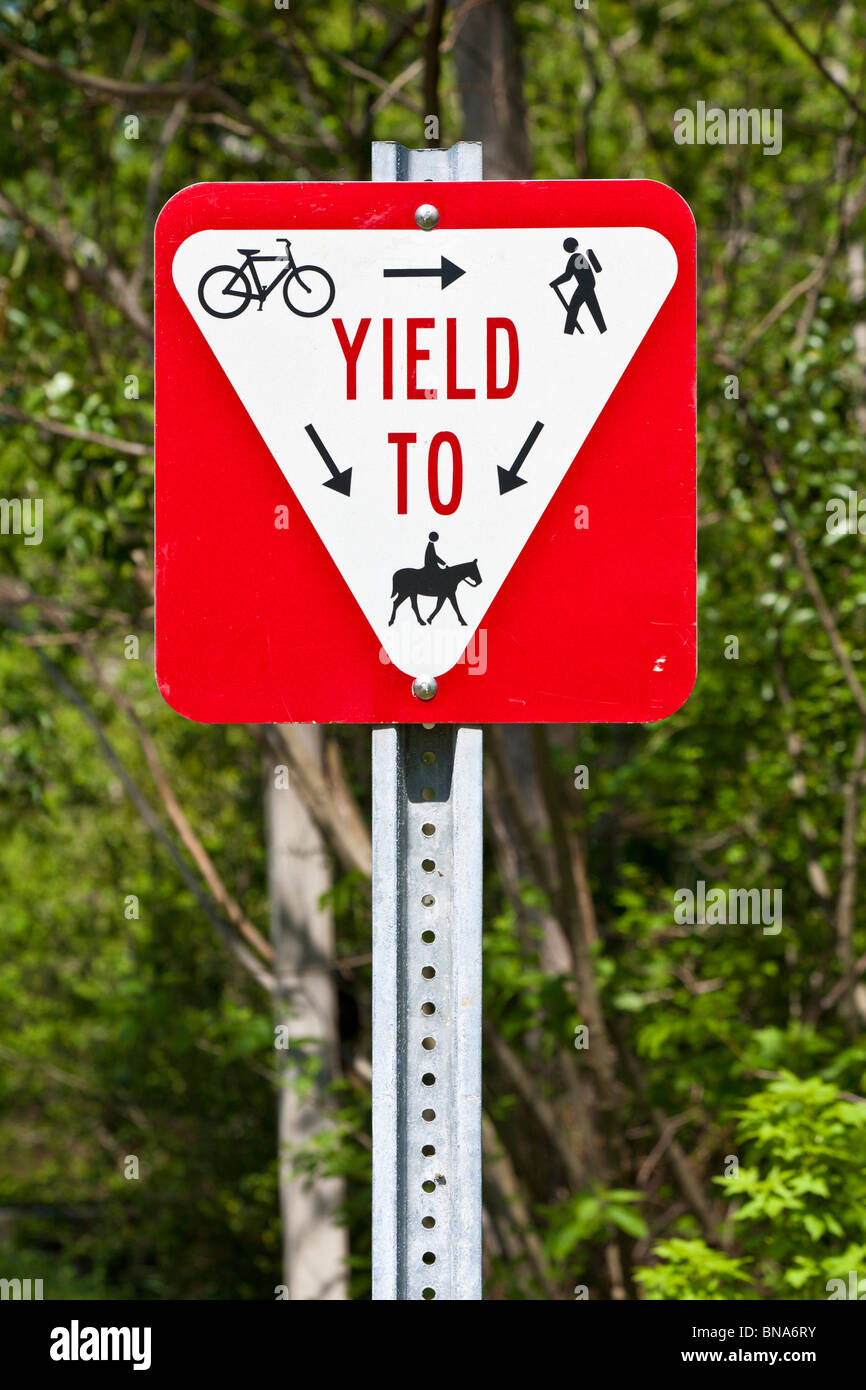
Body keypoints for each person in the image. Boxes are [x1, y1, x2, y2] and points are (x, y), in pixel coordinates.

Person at [550, 237, 607, 336]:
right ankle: (603, 331)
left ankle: (568, 333)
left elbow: (567, 276)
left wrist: (555, 282)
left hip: (584, 285)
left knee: (573, 308)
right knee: (594, 308)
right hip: (589, 284)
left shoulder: (575, 257)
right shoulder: (580, 256)